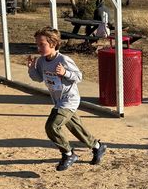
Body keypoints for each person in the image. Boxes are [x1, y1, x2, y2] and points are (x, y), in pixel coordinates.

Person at [27, 27, 106, 171]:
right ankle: (97, 146)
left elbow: (79, 77)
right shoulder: (42, 61)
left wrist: (65, 73)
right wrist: (32, 68)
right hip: (58, 100)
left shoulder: (63, 60)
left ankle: (68, 154)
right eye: (37, 44)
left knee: (52, 126)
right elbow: (38, 78)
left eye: (42, 44)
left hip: (69, 99)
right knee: (77, 128)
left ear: (53, 43)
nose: (38, 48)